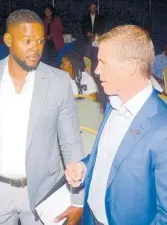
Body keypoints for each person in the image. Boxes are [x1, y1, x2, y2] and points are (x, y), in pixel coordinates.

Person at [0, 9, 85, 225]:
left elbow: (71, 142)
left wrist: (77, 200)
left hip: (43, 192)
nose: (36, 49)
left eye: (40, 41)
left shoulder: (58, 81)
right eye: (28, 41)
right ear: (8, 40)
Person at [56, 25, 167, 225]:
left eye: (103, 62)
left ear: (131, 66)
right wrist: (83, 166)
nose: (97, 70)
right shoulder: (112, 104)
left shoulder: (162, 128)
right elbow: (105, 156)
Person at [81, 2, 105, 71]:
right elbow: (84, 28)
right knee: (87, 57)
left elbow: (102, 29)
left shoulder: (101, 18)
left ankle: (95, 72)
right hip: (88, 40)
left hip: (97, 39)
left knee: (95, 57)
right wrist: (87, 33)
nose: (93, 9)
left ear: (96, 9)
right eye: (91, 7)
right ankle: (87, 71)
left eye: (94, 7)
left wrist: (94, 36)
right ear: (89, 8)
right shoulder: (85, 18)